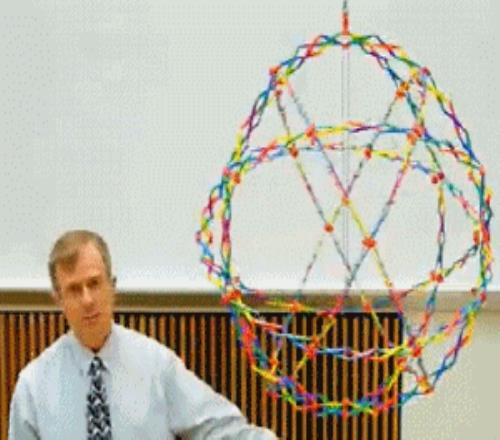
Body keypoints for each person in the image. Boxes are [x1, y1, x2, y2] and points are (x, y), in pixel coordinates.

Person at [8, 230, 276, 439]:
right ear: (59, 300)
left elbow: (222, 429)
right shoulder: (34, 386)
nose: (88, 300)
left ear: (112, 287)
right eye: (74, 290)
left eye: (94, 284)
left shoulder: (157, 365)